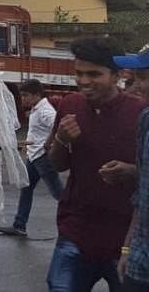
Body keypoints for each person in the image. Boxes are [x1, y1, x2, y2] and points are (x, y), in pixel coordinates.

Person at [45, 37, 144, 292]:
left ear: (117, 75)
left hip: (124, 238)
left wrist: (132, 172)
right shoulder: (70, 105)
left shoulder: (140, 112)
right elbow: (56, 165)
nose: (84, 81)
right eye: (78, 73)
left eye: (94, 74)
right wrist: (60, 139)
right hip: (75, 232)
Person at [0, 79, 64, 237]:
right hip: (34, 156)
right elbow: (37, 132)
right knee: (26, 189)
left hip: (43, 157)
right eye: (22, 95)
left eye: (26, 95)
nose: (23, 99)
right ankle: (19, 225)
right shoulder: (37, 109)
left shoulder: (45, 111)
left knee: (59, 194)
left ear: (37, 95)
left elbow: (58, 128)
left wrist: (48, 146)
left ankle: (77, 222)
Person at [120, 49, 149, 290]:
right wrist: (128, 248)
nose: (136, 87)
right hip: (141, 260)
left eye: (143, 78)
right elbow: (142, 192)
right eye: (134, 79)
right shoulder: (146, 120)